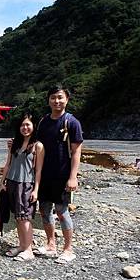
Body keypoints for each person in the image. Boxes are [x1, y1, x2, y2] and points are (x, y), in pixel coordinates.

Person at [35, 85, 83, 264]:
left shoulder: (71, 122)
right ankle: (50, 245)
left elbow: (77, 151)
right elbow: (37, 147)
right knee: (44, 210)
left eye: (60, 97)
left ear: (67, 100)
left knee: (62, 212)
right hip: (44, 174)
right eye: (53, 97)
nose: (57, 101)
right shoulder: (43, 122)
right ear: (48, 100)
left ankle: (68, 249)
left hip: (62, 175)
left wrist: (73, 176)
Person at [0, 113, 44, 261]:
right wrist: (2, 182)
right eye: (22, 125)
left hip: (26, 185)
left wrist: (36, 190)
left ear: (34, 126)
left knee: (25, 217)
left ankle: (28, 250)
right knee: (18, 217)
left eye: (28, 125)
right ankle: (22, 245)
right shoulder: (15, 144)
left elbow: (38, 170)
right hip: (12, 183)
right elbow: (8, 164)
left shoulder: (38, 146)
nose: (25, 128)